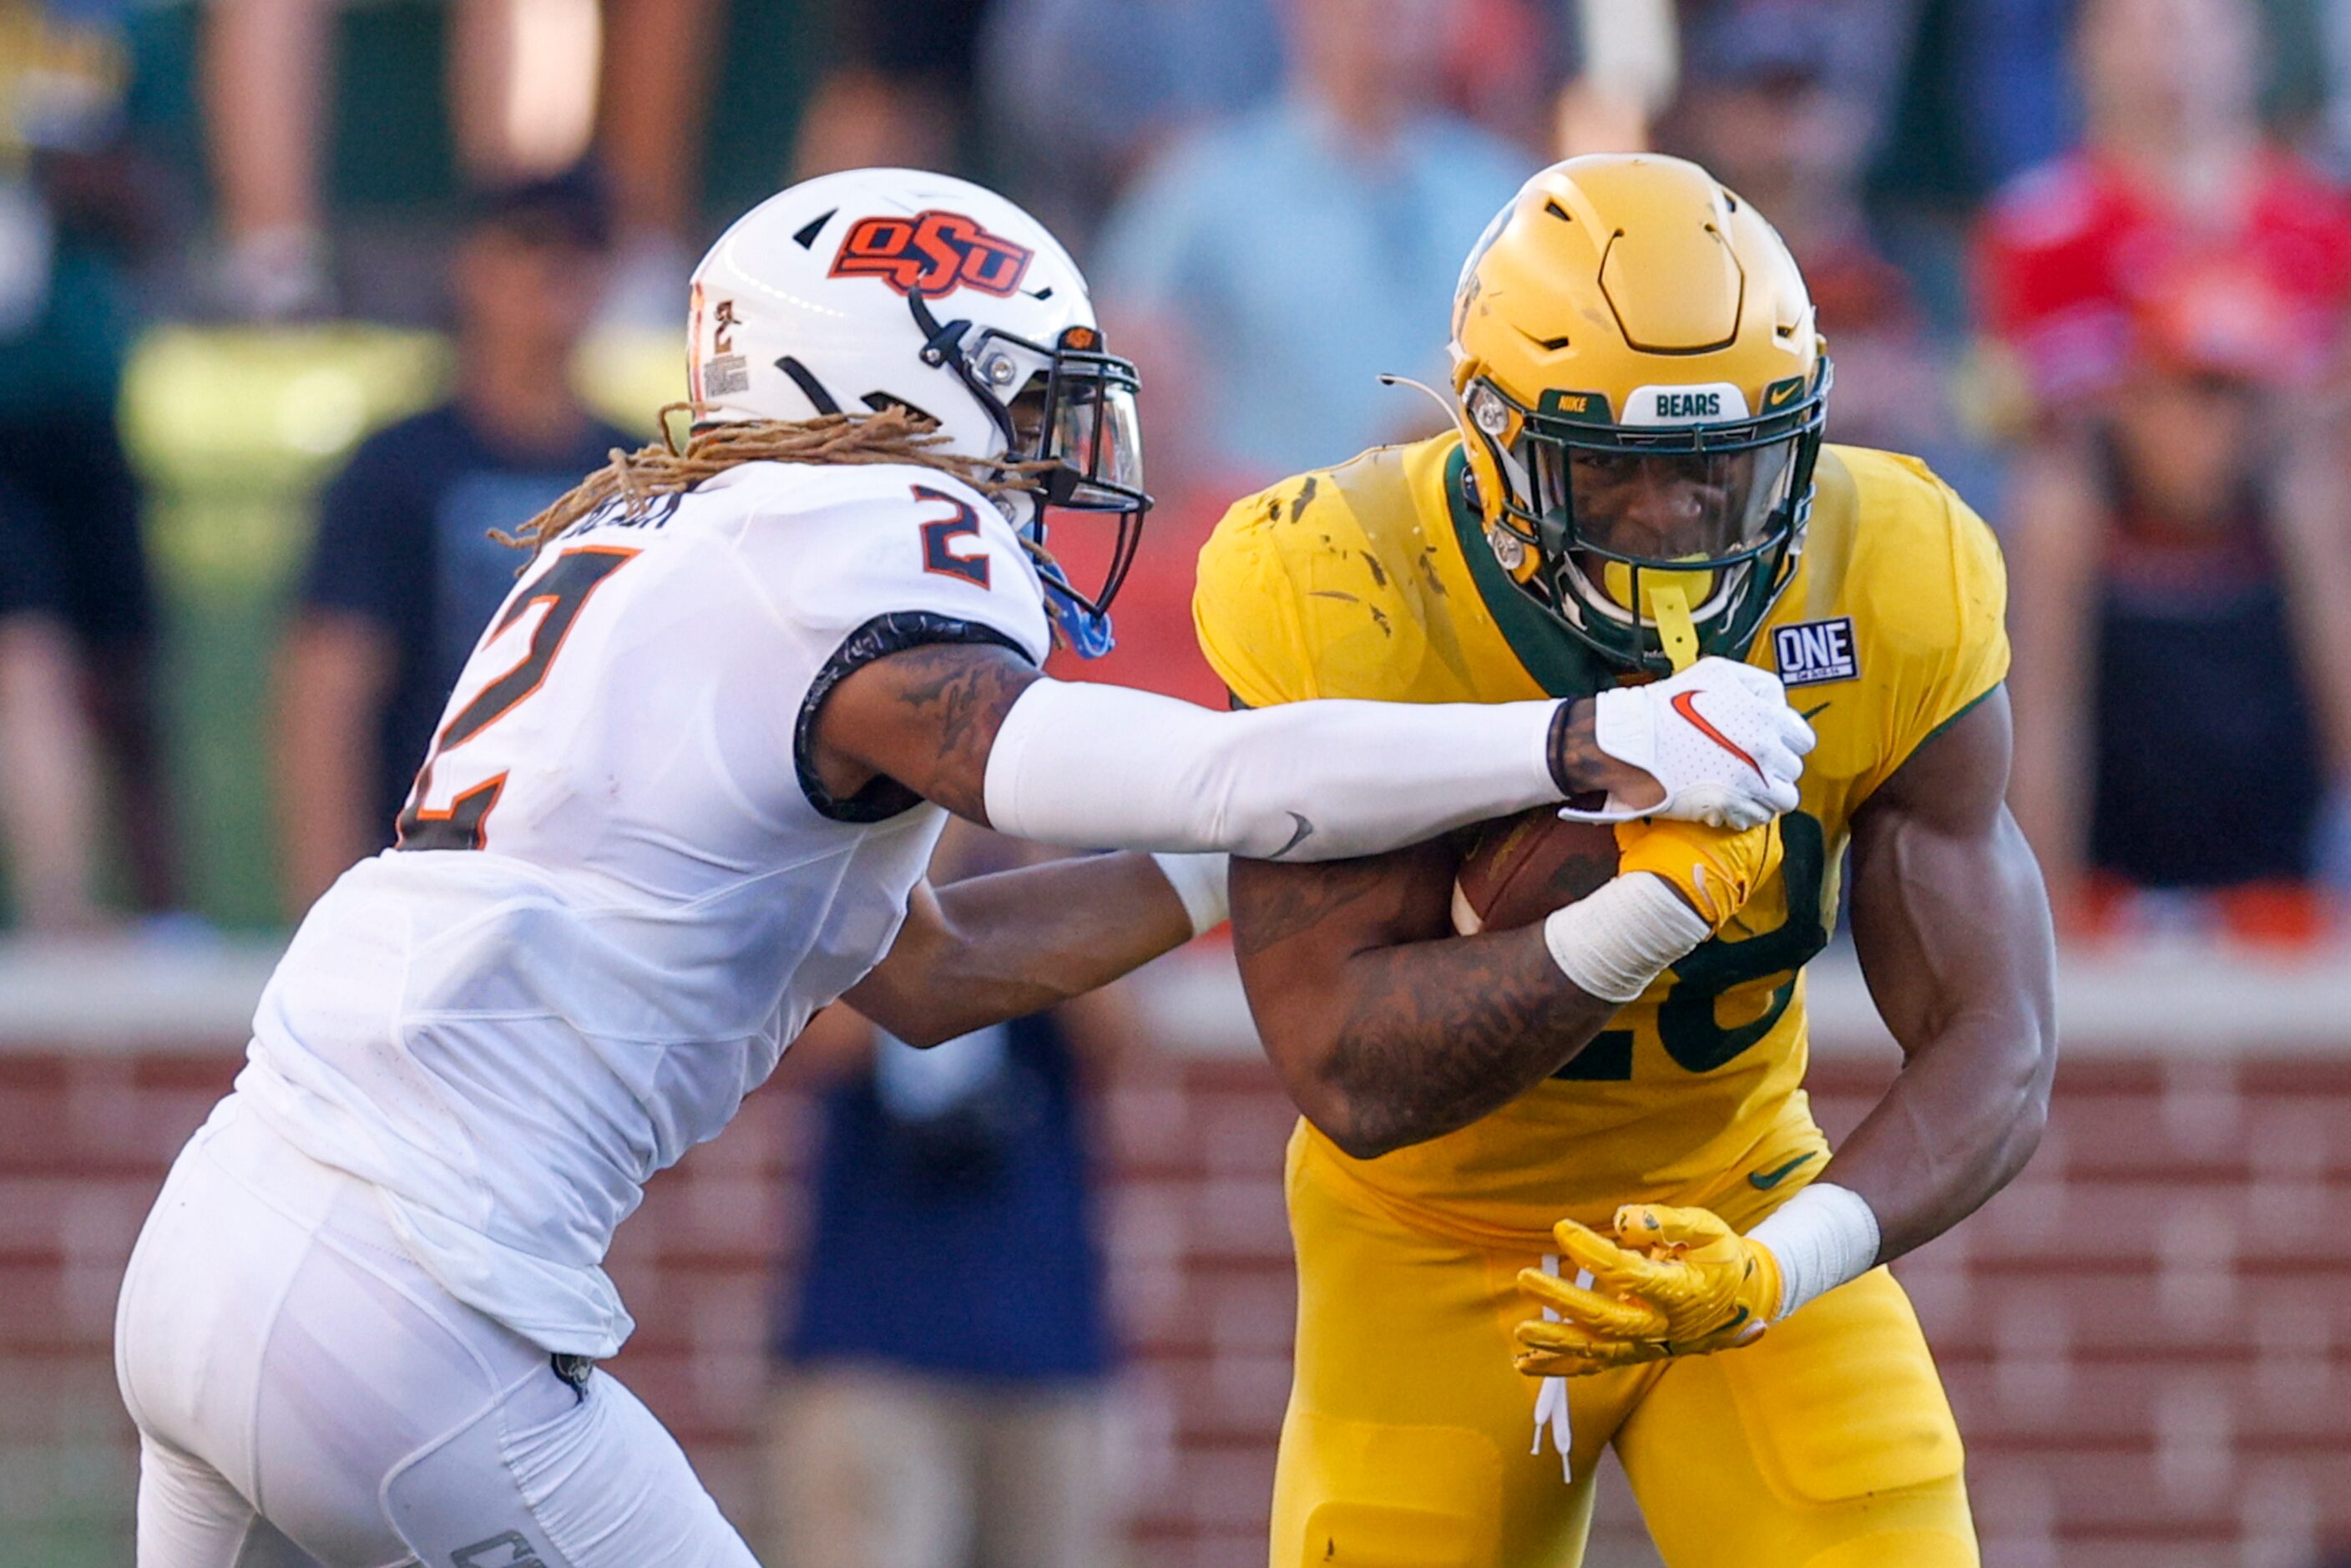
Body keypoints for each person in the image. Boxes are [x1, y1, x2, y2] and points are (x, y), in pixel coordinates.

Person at [113, 166, 1813, 1568]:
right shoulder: (847, 539)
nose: (1047, 450)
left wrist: (1243, 875)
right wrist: (1574, 738)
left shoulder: (673, 537)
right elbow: (1210, 768)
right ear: (881, 383)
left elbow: (923, 977)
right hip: (407, 1308)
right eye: (1016, 393)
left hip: (225, 1233)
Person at [1192, 154, 2055, 1564]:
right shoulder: (1349, 575)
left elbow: (1998, 1040)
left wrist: (1784, 1261)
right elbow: (1342, 1061)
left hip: (1735, 1191)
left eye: (1726, 466)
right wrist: (1645, 908)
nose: (1675, 519)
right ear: (1486, 433)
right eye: (1615, 469)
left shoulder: (1889, 563)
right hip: (1432, 1237)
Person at [276, 173, 635, 913]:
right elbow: (327, 694)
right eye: (530, 242)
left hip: (606, 890)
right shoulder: (396, 470)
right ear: (469, 264)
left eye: (586, 246)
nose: (556, 268)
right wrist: (333, 910)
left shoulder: (647, 479)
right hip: (429, 884)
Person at [766, 828, 1125, 1568]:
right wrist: (929, 863)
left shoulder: (1070, 837)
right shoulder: (859, 844)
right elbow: (814, 1043)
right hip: (872, 1337)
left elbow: (1119, 1039)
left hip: (1044, 1336)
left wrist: (1041, 874)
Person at [1092, 0, 1528, 493]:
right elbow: (1111, 364)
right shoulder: (1205, 188)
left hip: (1460, 539)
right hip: (1269, 541)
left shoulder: (1503, 196)